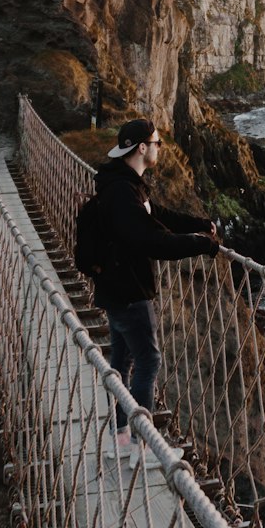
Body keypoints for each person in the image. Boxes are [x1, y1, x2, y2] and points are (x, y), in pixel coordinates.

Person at [92, 117, 220, 460]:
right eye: (157, 142)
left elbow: (156, 214)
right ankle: (140, 445)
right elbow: (153, 241)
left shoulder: (125, 184)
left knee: (121, 363)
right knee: (148, 360)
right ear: (142, 148)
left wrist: (198, 225)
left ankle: (120, 439)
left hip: (116, 290)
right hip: (129, 292)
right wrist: (201, 245)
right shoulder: (122, 192)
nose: (161, 148)